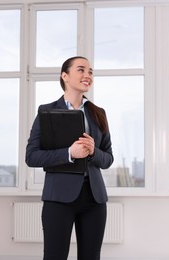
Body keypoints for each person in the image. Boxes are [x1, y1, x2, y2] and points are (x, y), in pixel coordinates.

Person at [25, 56, 114, 260]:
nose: (87, 75)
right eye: (81, 70)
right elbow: (32, 157)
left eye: (90, 71)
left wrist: (93, 152)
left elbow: (108, 158)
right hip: (58, 199)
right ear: (64, 76)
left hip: (94, 199)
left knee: (91, 256)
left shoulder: (99, 114)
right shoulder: (46, 112)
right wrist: (69, 153)